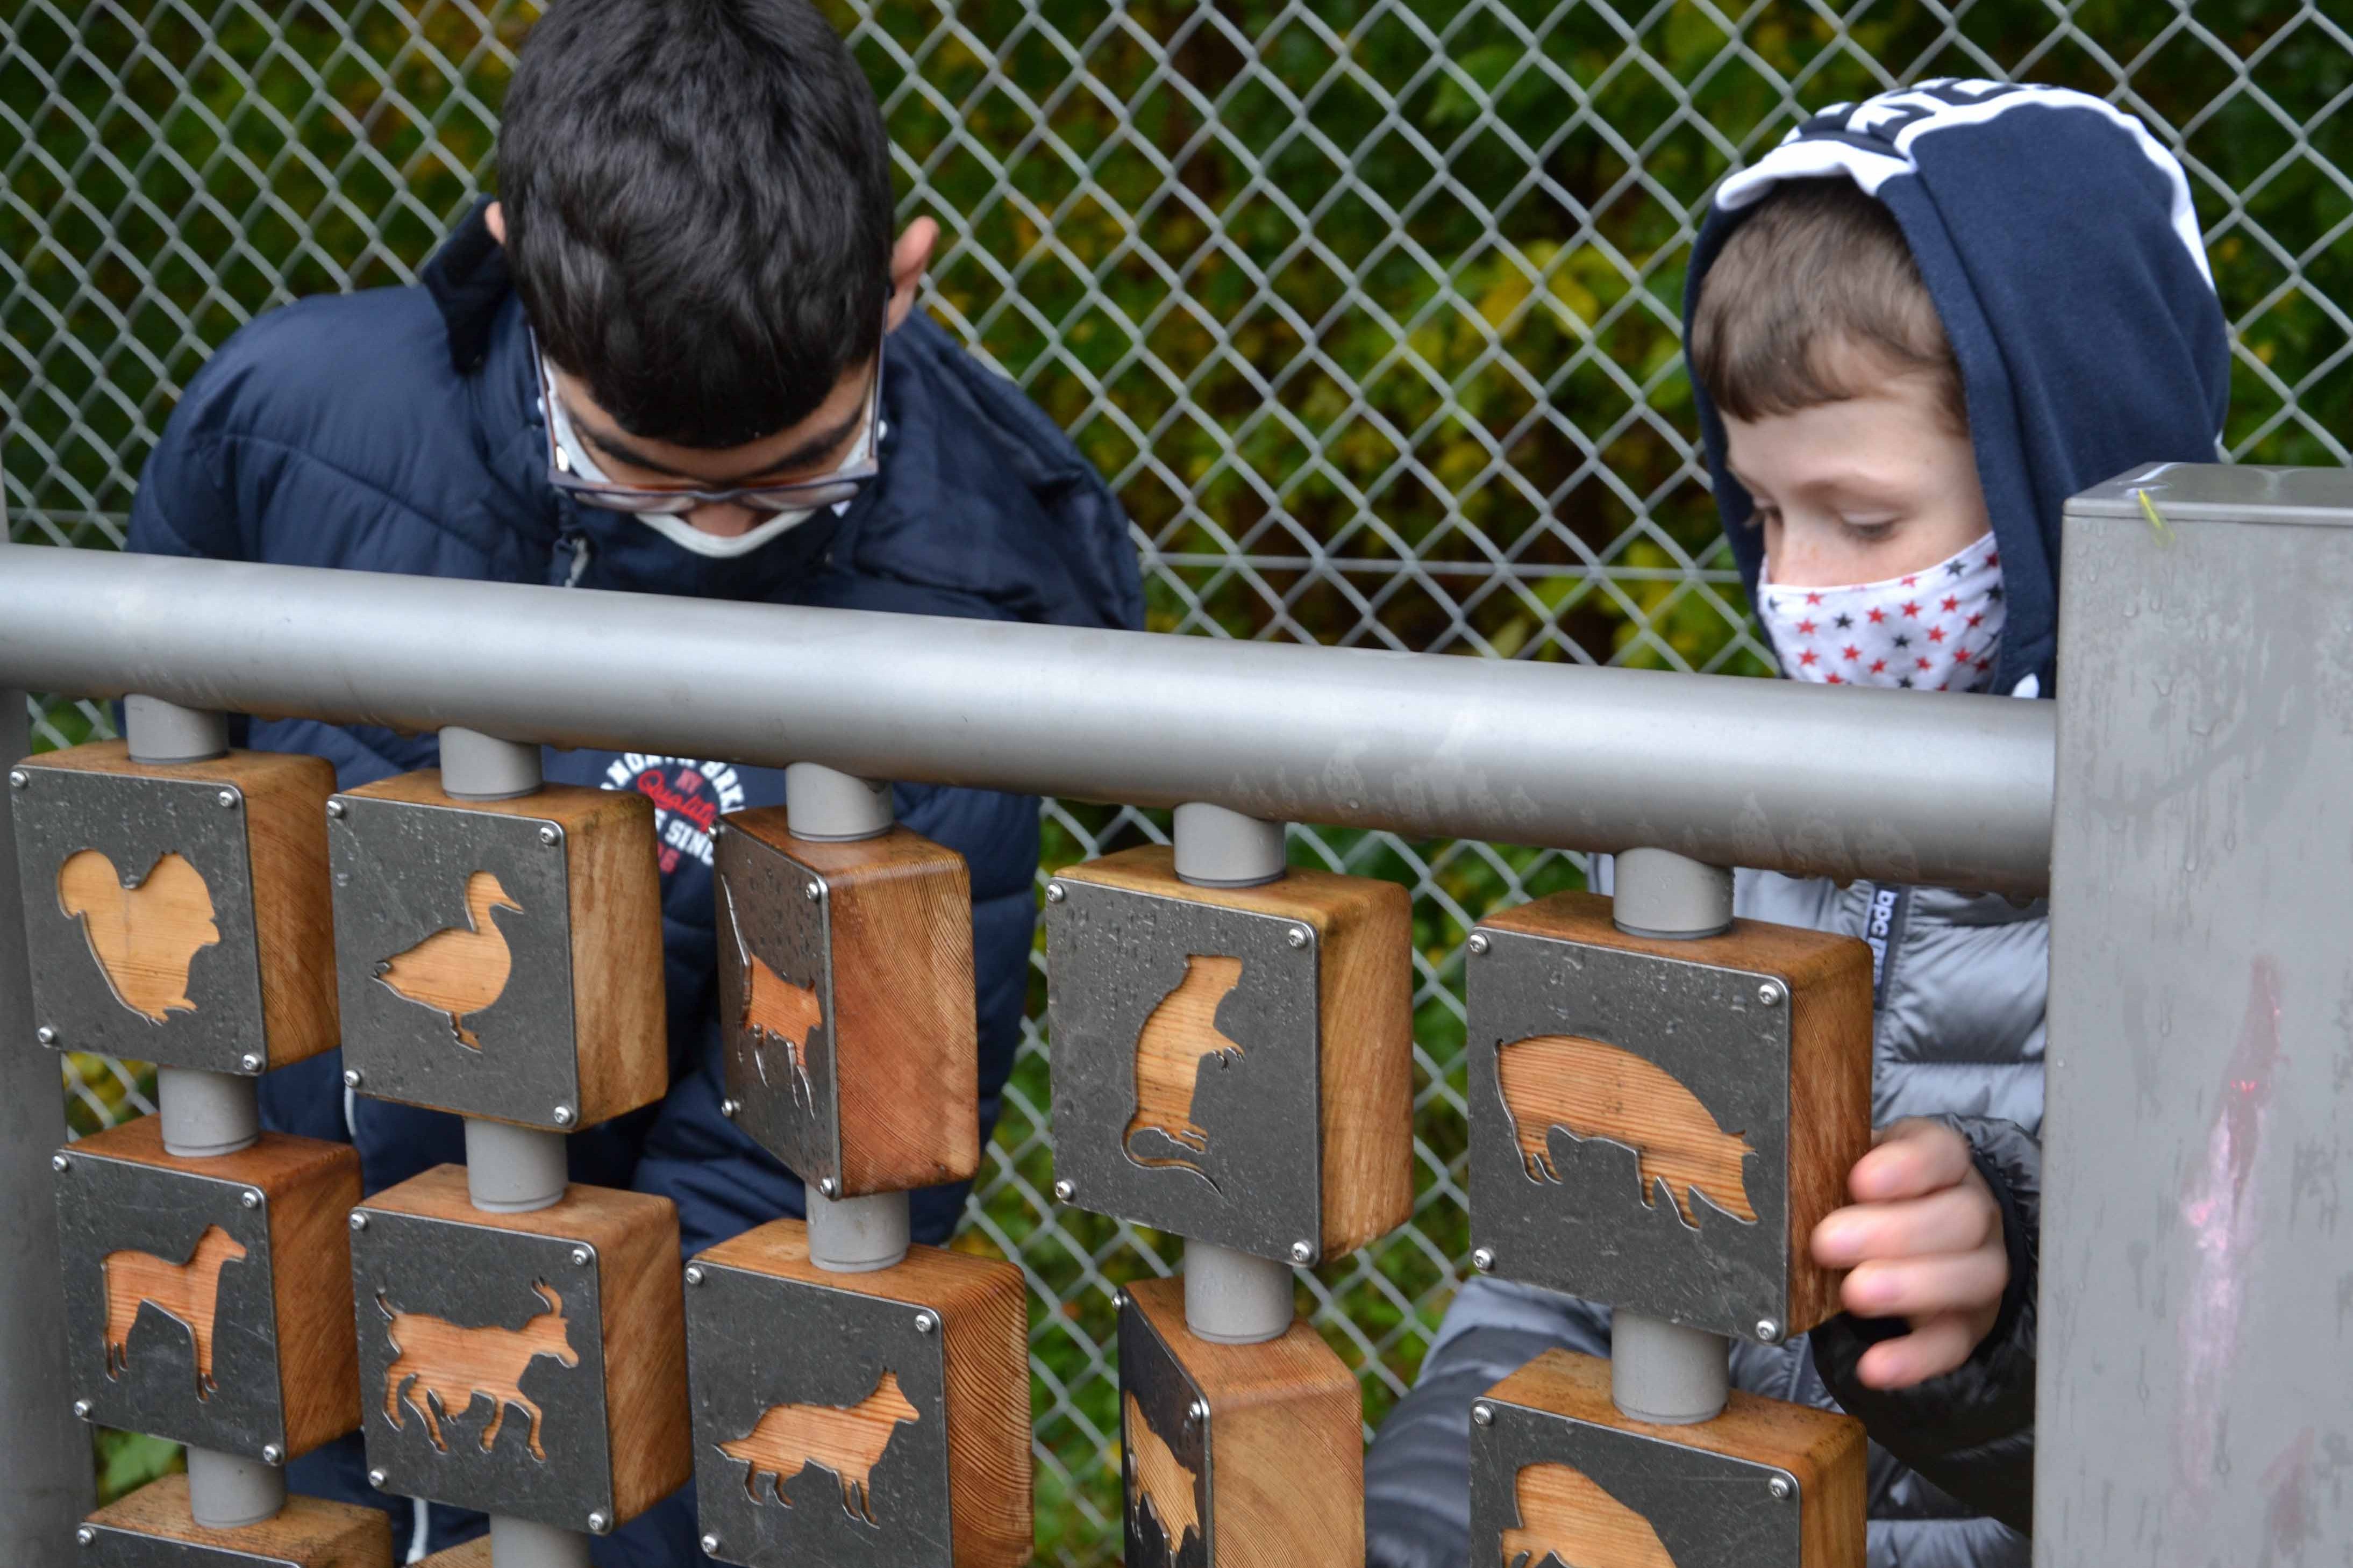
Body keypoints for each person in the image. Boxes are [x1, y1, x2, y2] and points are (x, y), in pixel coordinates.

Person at [123, 1, 1141, 1560]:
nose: (719, 533)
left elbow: (806, 1155)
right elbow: (174, 774)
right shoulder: (282, 423)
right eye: (638, 475)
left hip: (633, 1337)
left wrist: (599, 1500)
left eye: (798, 469)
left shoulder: (971, 608)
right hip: (305, 1226)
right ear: (516, 258)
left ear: (902, 287)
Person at [1365, 81, 2228, 1568]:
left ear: (2068, 476)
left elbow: (2242, 1407)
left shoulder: (2233, 877)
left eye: (1868, 523)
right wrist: (1428, 1521)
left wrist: (2006, 1314)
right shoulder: (1706, 834)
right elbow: (1557, 1282)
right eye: (1763, 516)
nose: (1797, 587)